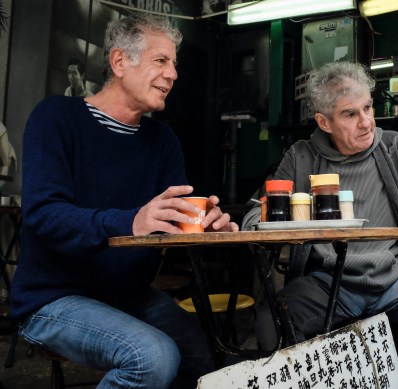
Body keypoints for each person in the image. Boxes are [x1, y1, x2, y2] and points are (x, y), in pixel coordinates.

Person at [10, 13, 238, 389]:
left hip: (127, 295)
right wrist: (130, 220)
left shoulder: (163, 141)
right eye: (161, 61)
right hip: (52, 298)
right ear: (119, 62)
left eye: (174, 64)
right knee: (153, 357)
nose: (173, 74)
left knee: (216, 359)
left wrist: (207, 226)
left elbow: (175, 223)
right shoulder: (55, 118)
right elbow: (44, 216)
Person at [242, 61, 398, 350]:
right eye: (350, 113)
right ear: (324, 122)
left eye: (368, 108)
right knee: (272, 318)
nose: (366, 121)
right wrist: (258, 223)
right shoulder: (301, 158)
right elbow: (259, 211)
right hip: (328, 283)